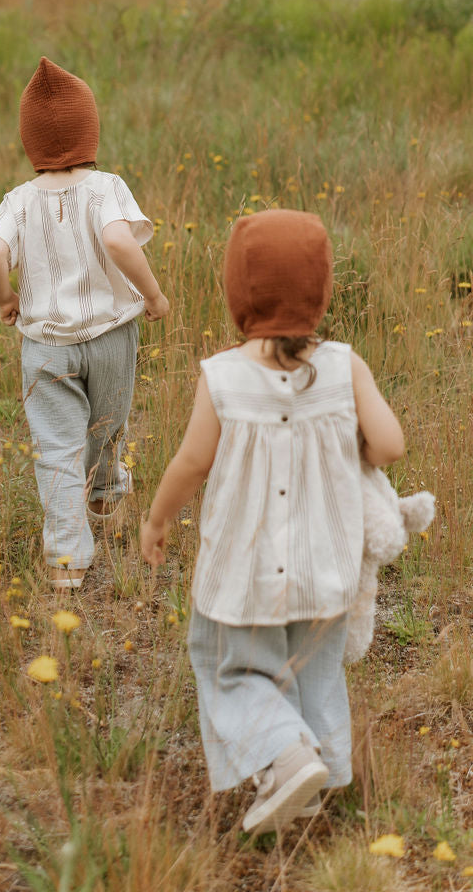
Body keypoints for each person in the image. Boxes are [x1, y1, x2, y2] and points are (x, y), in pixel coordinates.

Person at [141, 209, 405, 834]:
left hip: (245, 570)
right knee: (314, 669)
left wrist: (157, 519)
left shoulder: (224, 377)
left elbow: (191, 463)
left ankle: (283, 759)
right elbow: (390, 445)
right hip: (325, 567)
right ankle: (312, 779)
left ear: (238, 293)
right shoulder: (345, 366)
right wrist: (352, 448)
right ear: (320, 291)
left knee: (234, 669)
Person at [0, 57, 169, 590]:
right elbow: (116, 240)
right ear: (90, 129)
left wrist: (5, 297)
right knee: (109, 424)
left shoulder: (17, 201)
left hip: (45, 347)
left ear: (28, 141)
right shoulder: (106, 186)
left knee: (57, 446)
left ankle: (67, 562)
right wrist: (152, 294)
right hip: (111, 336)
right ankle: (106, 494)